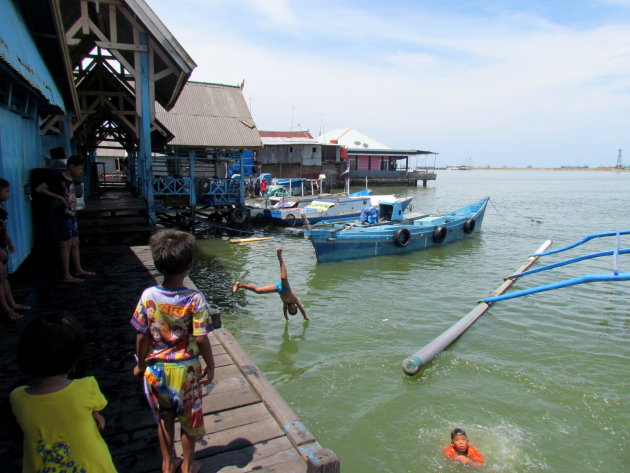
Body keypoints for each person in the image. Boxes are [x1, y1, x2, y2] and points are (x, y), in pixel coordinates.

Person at [131, 229, 215, 473]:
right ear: (190, 265)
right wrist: (210, 365)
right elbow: (200, 337)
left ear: (157, 263)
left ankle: (168, 464)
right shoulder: (194, 299)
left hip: (157, 371)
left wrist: (142, 363)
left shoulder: (148, 296)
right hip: (187, 371)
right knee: (189, 421)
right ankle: (188, 466)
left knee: (164, 418)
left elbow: (141, 334)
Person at [10, 313, 117, 472]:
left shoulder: (18, 397)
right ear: (74, 359)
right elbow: (96, 408)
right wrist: (97, 416)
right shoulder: (86, 387)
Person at [35, 155, 94, 283]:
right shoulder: (57, 178)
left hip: (71, 214)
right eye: (79, 168)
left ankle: (78, 269)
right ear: (71, 166)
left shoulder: (73, 179)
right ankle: (66, 274)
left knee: (75, 242)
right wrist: (58, 197)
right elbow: (39, 189)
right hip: (62, 214)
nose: (80, 171)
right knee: (65, 244)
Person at [232, 248, 309, 321]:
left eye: (290, 310)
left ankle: (240, 285)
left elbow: (284, 311)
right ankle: (280, 257)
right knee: (283, 277)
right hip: (285, 287)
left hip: (278, 288)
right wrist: (305, 317)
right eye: (293, 309)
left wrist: (286, 318)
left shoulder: (285, 303)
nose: (291, 309)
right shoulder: (295, 300)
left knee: (258, 291)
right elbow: (302, 309)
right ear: (296, 307)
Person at [0, 178, 30, 320]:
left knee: (4, 278)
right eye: (6, 191)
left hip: (3, 246)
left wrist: (9, 242)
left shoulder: (1, 207)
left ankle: (12, 303)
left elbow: (2, 230)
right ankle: (5, 309)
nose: (9, 194)